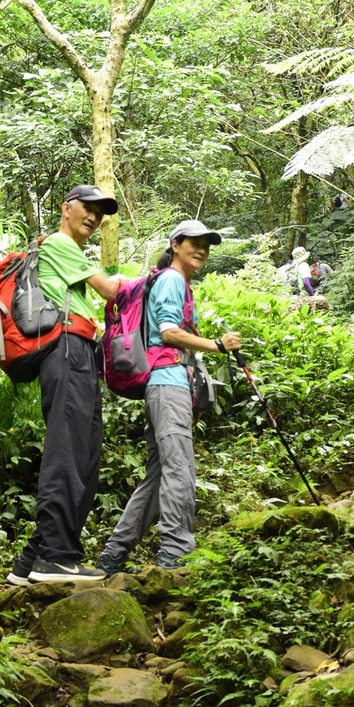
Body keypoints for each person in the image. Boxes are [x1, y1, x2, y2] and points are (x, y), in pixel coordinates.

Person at [97, 220, 242, 574]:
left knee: (160, 473)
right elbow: (168, 332)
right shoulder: (173, 279)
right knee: (180, 469)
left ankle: (113, 557)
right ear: (175, 244)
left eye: (206, 243)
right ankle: (175, 553)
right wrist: (216, 345)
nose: (202, 249)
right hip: (166, 384)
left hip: (164, 385)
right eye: (194, 242)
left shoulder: (172, 281)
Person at [7, 184, 123, 586]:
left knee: (82, 450)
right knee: (69, 451)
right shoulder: (59, 242)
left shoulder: (63, 250)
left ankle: (32, 561)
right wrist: (161, 277)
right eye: (87, 209)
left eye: (100, 213)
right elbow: (110, 290)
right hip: (68, 349)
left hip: (77, 351)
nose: (93, 217)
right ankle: (57, 556)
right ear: (66, 208)